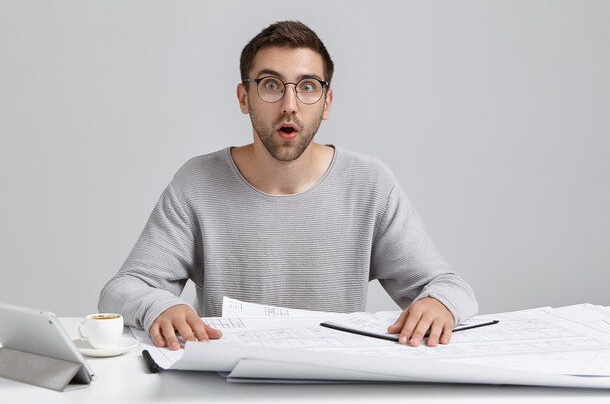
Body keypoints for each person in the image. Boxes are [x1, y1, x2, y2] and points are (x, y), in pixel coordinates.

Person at [99, 20, 478, 351]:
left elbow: (450, 286)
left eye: (308, 87)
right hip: (227, 386)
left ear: (326, 103)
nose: (289, 105)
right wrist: (160, 306)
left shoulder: (369, 183)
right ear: (244, 97)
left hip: (332, 385)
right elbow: (120, 290)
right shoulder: (197, 182)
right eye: (270, 85)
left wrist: (440, 303)